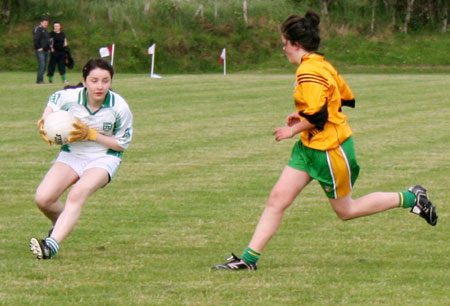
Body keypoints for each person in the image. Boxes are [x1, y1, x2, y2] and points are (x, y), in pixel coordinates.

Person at [212, 10, 438, 271]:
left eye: (284, 43)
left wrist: (292, 129)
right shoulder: (320, 64)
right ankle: (248, 260)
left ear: (296, 44)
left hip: (330, 151)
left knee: (346, 211)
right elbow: (341, 97)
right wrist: (303, 114)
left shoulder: (308, 71)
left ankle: (412, 198)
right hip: (310, 147)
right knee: (277, 199)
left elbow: (320, 115)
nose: (283, 48)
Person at [30, 58, 133, 260]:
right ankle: (63, 224)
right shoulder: (70, 97)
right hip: (73, 153)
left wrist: (91, 134)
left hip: (104, 157)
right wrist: (45, 122)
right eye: (94, 80)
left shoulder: (119, 107)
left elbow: (121, 144)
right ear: (84, 81)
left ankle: (50, 245)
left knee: (77, 194)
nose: (100, 86)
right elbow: (54, 100)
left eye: (105, 81)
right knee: (43, 199)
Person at [33, 17, 51, 84]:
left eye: (47, 23)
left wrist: (48, 48)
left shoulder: (45, 30)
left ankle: (41, 79)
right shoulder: (38, 29)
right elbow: (36, 39)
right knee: (42, 64)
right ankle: (39, 80)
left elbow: (47, 40)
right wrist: (38, 47)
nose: (46, 24)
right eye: (45, 23)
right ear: (41, 22)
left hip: (46, 50)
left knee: (44, 65)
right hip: (40, 51)